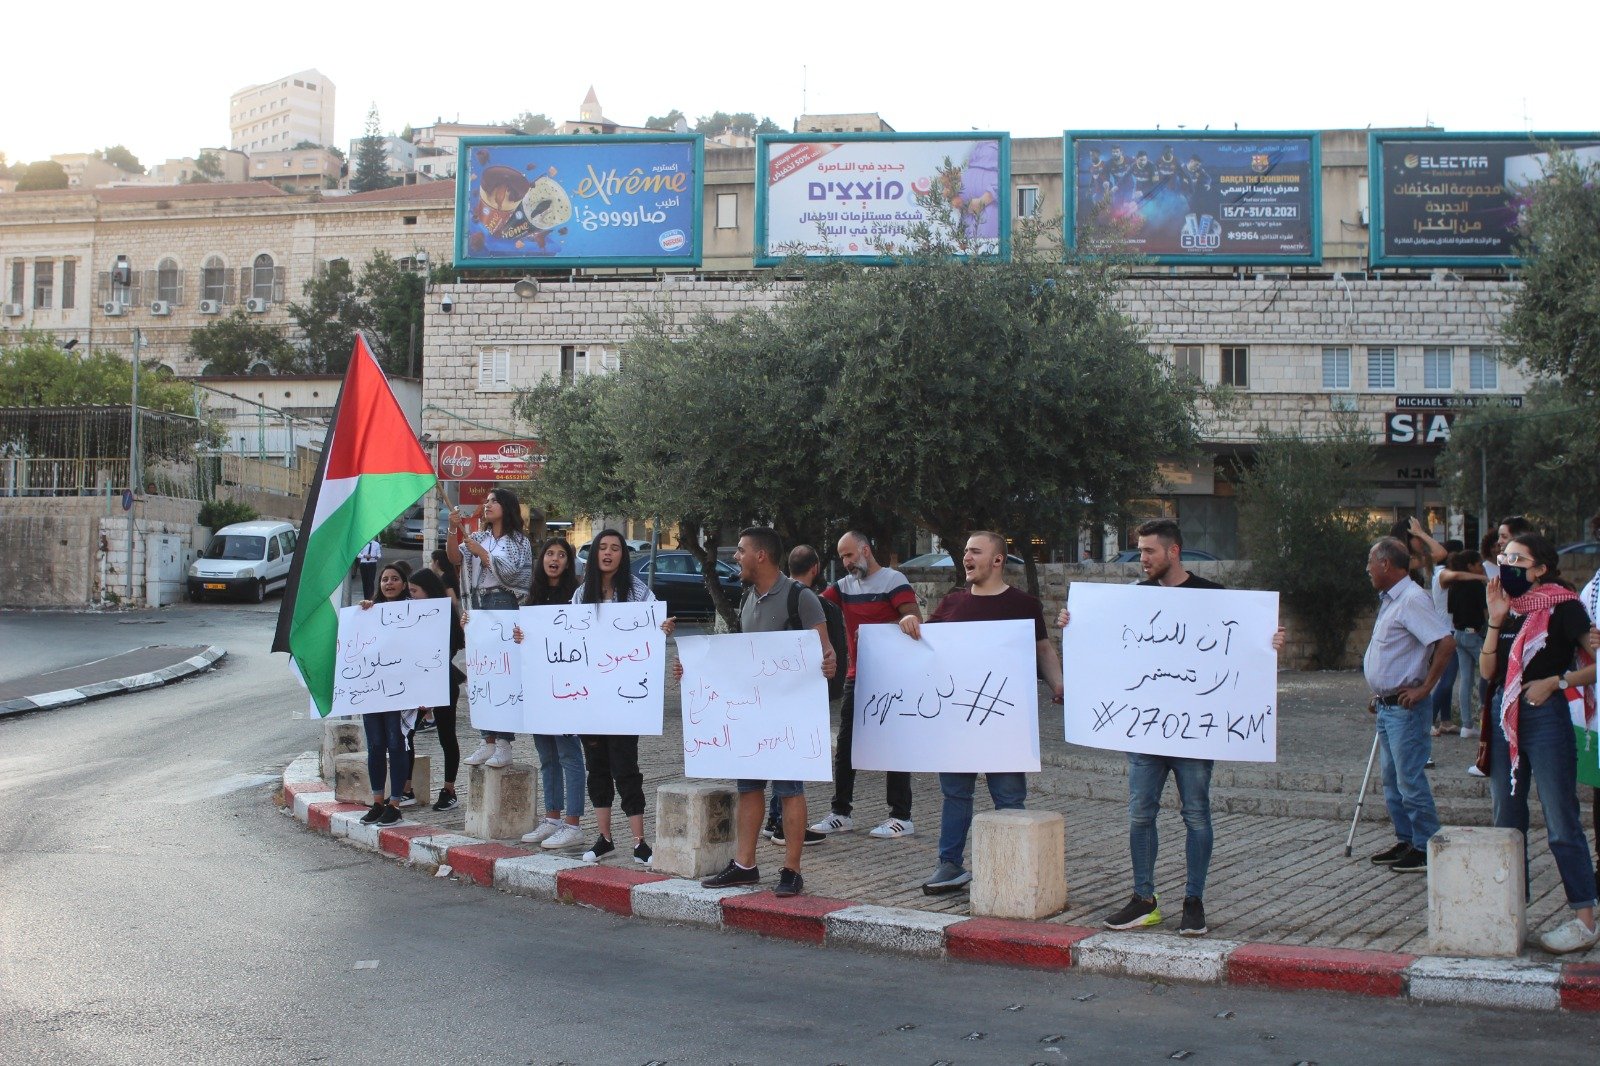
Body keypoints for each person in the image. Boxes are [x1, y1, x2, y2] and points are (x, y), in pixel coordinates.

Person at [1058, 519, 1285, 936]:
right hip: (1144, 730)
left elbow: (1242, 649)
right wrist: (1074, 623)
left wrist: (1267, 643)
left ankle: (1193, 901)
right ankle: (1144, 899)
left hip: (1194, 732)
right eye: (1140, 550)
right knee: (1140, 814)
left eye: (1148, 551)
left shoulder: (1212, 598)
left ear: (1173, 551)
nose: (1141, 559)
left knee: (1196, 815)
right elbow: (1103, 641)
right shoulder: (1133, 599)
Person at [900, 532, 1063, 895]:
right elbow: (927, 649)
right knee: (955, 794)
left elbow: (1043, 650)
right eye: (965, 551)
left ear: (998, 560)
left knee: (1008, 797)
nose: (966, 557)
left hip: (1005, 725)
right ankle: (950, 865)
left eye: (975, 551)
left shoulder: (1023, 604)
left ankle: (1016, 867)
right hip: (957, 725)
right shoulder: (952, 604)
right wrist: (909, 626)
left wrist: (1059, 685)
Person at [700, 527, 836, 898]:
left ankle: (791, 871)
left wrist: (829, 662)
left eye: (741, 550)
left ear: (761, 555)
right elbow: (740, 659)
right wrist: (691, 670)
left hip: (790, 715)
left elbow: (826, 654)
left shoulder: (800, 597)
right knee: (749, 788)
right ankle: (745, 866)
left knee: (791, 789)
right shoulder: (747, 600)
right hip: (752, 715)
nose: (735, 557)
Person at [1479, 533, 1599, 954]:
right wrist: (1494, 620)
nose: (1507, 563)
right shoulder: (1504, 606)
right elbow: (1488, 670)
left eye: (1517, 558)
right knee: (1506, 819)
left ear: (1540, 568)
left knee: (1561, 819)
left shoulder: (1564, 606)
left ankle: (1584, 919)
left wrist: (1556, 682)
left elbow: (1594, 665)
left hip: (1546, 716)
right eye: (1504, 557)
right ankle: (1509, 911)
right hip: (1505, 715)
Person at [811, 531, 923, 840]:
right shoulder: (844, 588)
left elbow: (914, 619)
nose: (845, 563)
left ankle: (901, 816)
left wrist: (882, 631)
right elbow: (812, 607)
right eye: (841, 558)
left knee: (894, 745)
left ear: (865, 549)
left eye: (849, 555)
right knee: (846, 745)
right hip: (856, 675)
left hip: (893, 678)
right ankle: (840, 812)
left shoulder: (893, 580)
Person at [571, 529, 673, 864]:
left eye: (615, 548)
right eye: (602, 547)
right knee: (596, 767)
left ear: (623, 555)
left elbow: (654, 626)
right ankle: (604, 838)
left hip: (627, 698)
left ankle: (640, 841)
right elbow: (566, 636)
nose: (608, 553)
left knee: (625, 766)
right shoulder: (581, 595)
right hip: (591, 698)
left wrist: (664, 628)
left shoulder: (639, 592)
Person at [1363, 537, 1456, 875]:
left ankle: (1426, 846)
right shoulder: (1390, 600)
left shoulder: (1412, 599)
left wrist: (1425, 688)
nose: (1368, 569)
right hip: (1388, 706)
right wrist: (1380, 689)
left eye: (1371, 562)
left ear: (1386, 564)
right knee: (1392, 781)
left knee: (1409, 779)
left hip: (1407, 708)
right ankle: (1407, 839)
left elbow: (1445, 642)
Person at [760, 543, 841, 848]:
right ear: (816, 568)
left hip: (770, 695)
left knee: (780, 760)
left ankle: (774, 820)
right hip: (795, 696)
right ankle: (784, 825)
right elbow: (825, 650)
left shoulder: (776, 596)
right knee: (792, 763)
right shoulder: (804, 599)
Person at [455, 488, 538, 770]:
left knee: (503, 672)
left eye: (493, 501)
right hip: (479, 603)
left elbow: (515, 573)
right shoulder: (479, 537)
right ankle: (485, 739)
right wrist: (452, 531)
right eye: (486, 501)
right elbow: (456, 558)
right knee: (481, 670)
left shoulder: (518, 541)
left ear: (507, 506)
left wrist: (485, 555)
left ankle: (504, 743)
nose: (487, 505)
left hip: (504, 601)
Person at [516, 537, 588, 850]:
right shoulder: (533, 597)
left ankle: (573, 822)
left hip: (568, 687)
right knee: (546, 755)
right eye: (549, 553)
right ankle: (553, 819)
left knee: (569, 754)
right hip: (539, 688)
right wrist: (520, 636)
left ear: (569, 562)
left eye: (561, 554)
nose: (554, 559)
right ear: (541, 559)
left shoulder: (577, 596)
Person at [402, 568, 465, 812]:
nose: (412, 596)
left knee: (446, 736)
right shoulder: (409, 613)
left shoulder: (444, 614)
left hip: (442, 682)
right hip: (419, 683)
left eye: (415, 591)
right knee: (406, 734)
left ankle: (449, 789)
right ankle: (406, 788)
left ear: (428, 591)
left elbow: (447, 651)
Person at [356, 563, 412, 826]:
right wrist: (363, 612)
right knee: (375, 746)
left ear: (404, 583)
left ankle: (396, 803)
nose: (389, 583)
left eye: (394, 579)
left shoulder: (415, 612)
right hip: (373, 692)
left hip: (399, 693)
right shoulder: (370, 612)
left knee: (396, 744)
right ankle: (378, 802)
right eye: (384, 579)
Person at [1445, 550, 1489, 741]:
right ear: (1470, 566)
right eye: (1479, 564)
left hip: (1459, 634)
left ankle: (1466, 724)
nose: (1481, 567)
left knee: (1466, 679)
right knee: (1490, 672)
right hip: (1474, 635)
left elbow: (1450, 609)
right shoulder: (1477, 586)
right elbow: (1486, 612)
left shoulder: (1454, 586)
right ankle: (1487, 721)